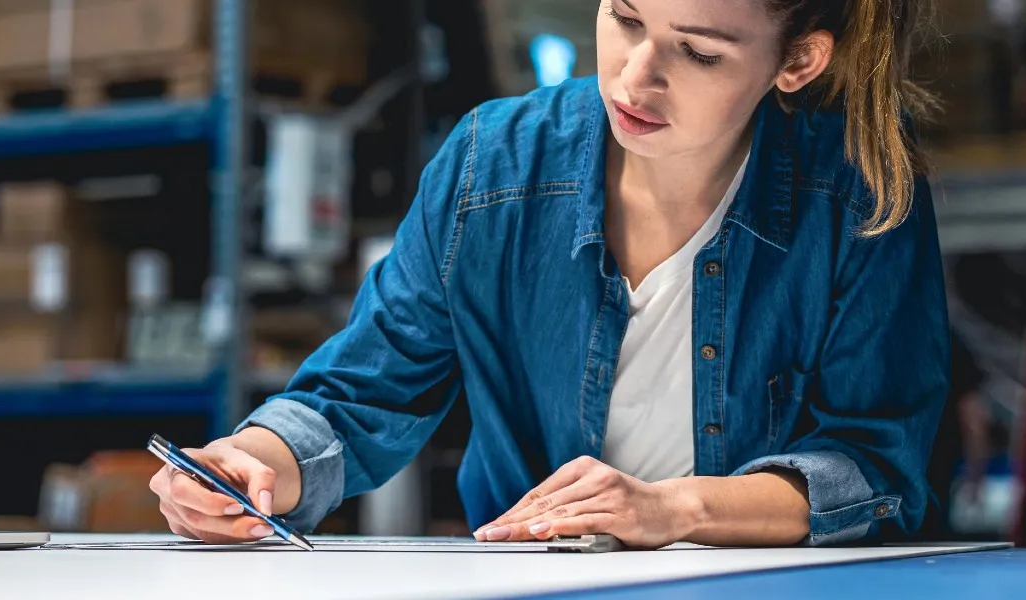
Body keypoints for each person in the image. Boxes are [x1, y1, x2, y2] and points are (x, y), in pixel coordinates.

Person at [153, 0, 949, 549]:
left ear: (799, 61)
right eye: (625, 17)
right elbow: (362, 393)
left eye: (700, 52)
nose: (635, 78)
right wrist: (252, 461)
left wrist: (671, 509)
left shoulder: (861, 189)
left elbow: (874, 464)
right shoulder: (490, 164)